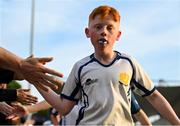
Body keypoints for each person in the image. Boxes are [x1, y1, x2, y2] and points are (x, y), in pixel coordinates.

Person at [9, 5, 180, 125]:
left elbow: (154, 96)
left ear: (118, 35)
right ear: (88, 32)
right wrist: (35, 80)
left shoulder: (129, 63)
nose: (104, 31)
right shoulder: (80, 67)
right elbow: (64, 107)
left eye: (110, 28)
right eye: (98, 27)